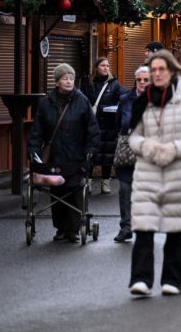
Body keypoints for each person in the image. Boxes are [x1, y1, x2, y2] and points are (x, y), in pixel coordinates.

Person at [128, 50, 181, 297]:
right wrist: (147, 147)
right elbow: (133, 136)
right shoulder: (144, 100)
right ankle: (140, 279)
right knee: (143, 227)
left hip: (179, 172)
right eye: (153, 70)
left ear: (172, 71)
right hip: (148, 173)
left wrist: (175, 149)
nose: (157, 74)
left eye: (162, 69)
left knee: (175, 228)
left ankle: (172, 280)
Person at [27, 63, 100, 243]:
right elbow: (37, 130)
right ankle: (61, 229)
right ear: (57, 81)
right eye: (65, 78)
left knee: (74, 189)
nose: (69, 81)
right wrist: (33, 150)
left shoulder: (82, 101)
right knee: (57, 192)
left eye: (71, 78)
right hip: (55, 156)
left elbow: (93, 129)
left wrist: (91, 149)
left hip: (76, 155)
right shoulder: (46, 102)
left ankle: (74, 229)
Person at [114, 66, 150, 242]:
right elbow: (118, 124)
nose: (142, 83)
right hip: (127, 152)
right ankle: (126, 227)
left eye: (146, 80)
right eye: (139, 80)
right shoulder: (125, 99)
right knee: (125, 189)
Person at [82, 57, 127, 194]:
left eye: (108, 65)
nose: (106, 68)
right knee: (91, 153)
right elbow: (82, 101)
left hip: (109, 125)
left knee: (108, 155)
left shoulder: (114, 84)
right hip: (92, 124)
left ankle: (105, 183)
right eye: (103, 65)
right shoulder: (88, 83)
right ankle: (87, 182)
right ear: (96, 67)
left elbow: (126, 96)